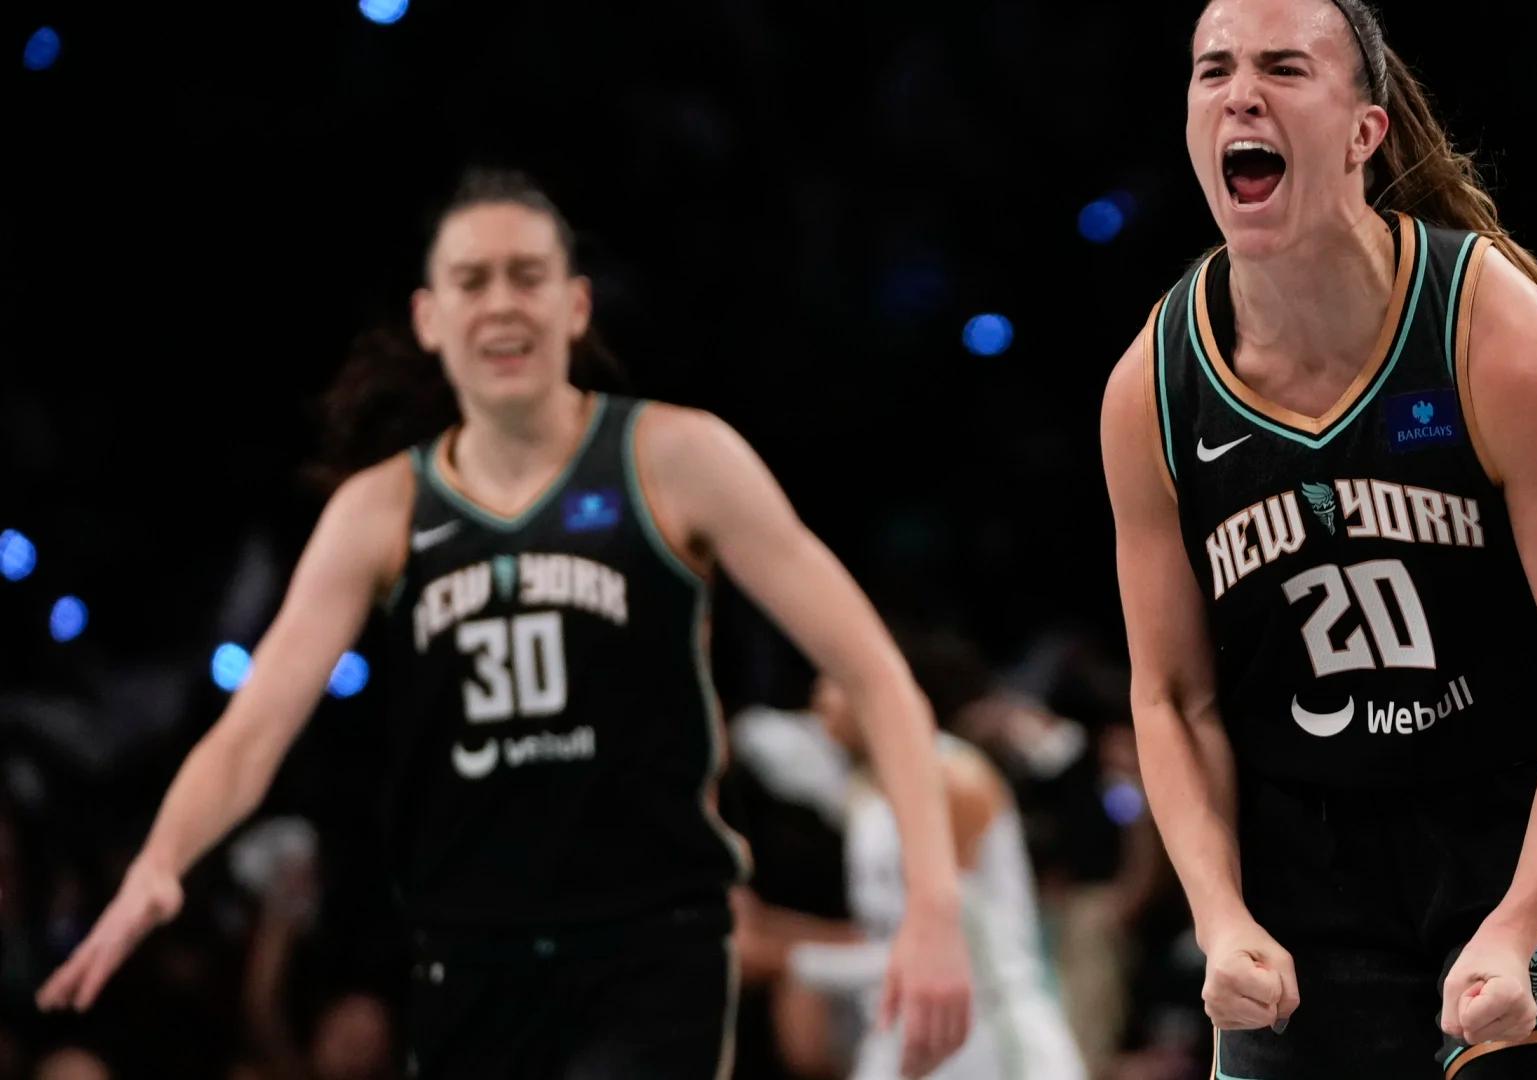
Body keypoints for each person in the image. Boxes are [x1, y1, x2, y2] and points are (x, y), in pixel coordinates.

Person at [36, 168, 971, 1079]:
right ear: (429, 319)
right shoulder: (379, 510)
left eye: (527, 275)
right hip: (466, 963)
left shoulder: (676, 458)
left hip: (649, 952)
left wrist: (933, 905)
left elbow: (877, 674)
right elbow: (249, 737)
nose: (501, 303)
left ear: (574, 306)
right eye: (471, 281)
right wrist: (162, 860)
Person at [1098, 1, 1537, 1076]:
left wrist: (1517, 918)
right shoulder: (1152, 391)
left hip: (1521, 820)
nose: (1241, 93)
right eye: (1212, 69)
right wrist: (1220, 915)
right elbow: (1172, 699)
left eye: (1281, 67)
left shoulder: (1494, 337)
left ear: (1366, 132)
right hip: (1307, 863)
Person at [736, 674, 1086, 1080]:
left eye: (834, 683)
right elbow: (886, 937)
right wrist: (766, 930)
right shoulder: (864, 786)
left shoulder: (953, 778)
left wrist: (790, 959)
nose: (821, 706)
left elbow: (943, 949)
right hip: (906, 1028)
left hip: (987, 1033)